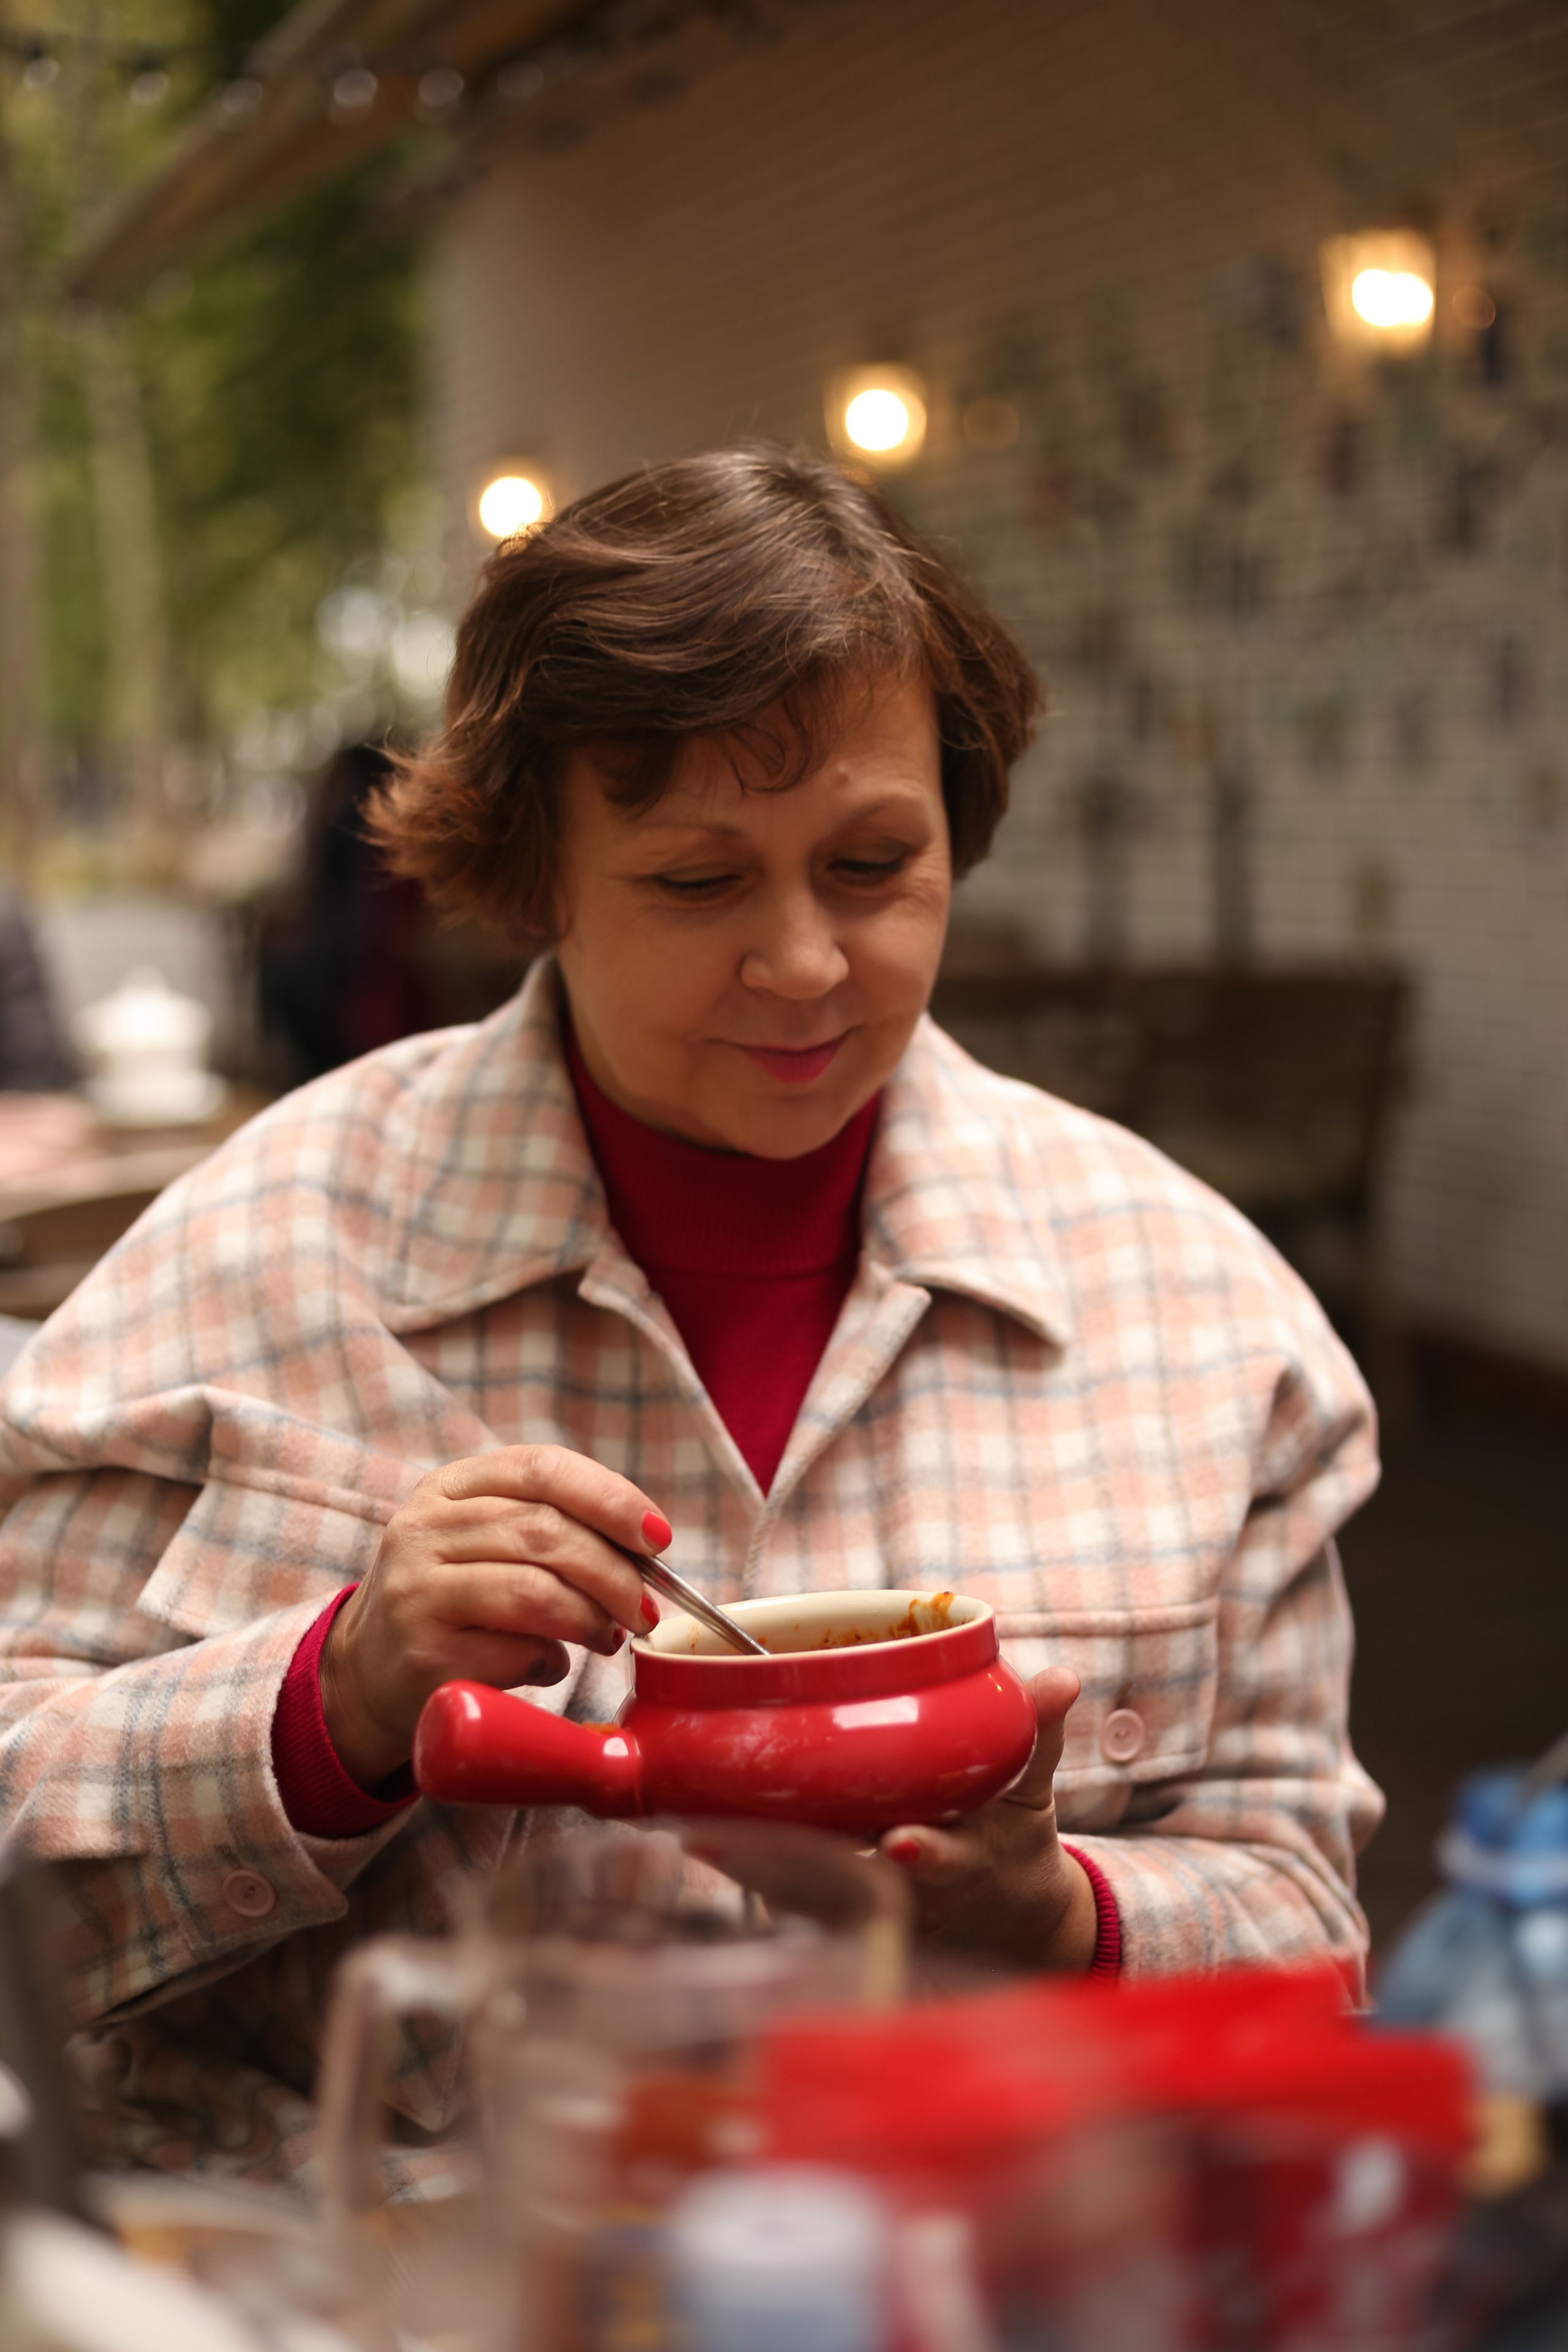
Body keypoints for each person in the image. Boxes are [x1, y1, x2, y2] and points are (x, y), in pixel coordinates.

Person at [0, 447, 1381, 2188]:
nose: (804, 962)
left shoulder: (1192, 1312)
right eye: (699, 883)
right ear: (532, 872)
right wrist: (331, 1704)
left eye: (874, 864)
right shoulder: (260, 1259)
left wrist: (1052, 1917)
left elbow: (1309, 1943)